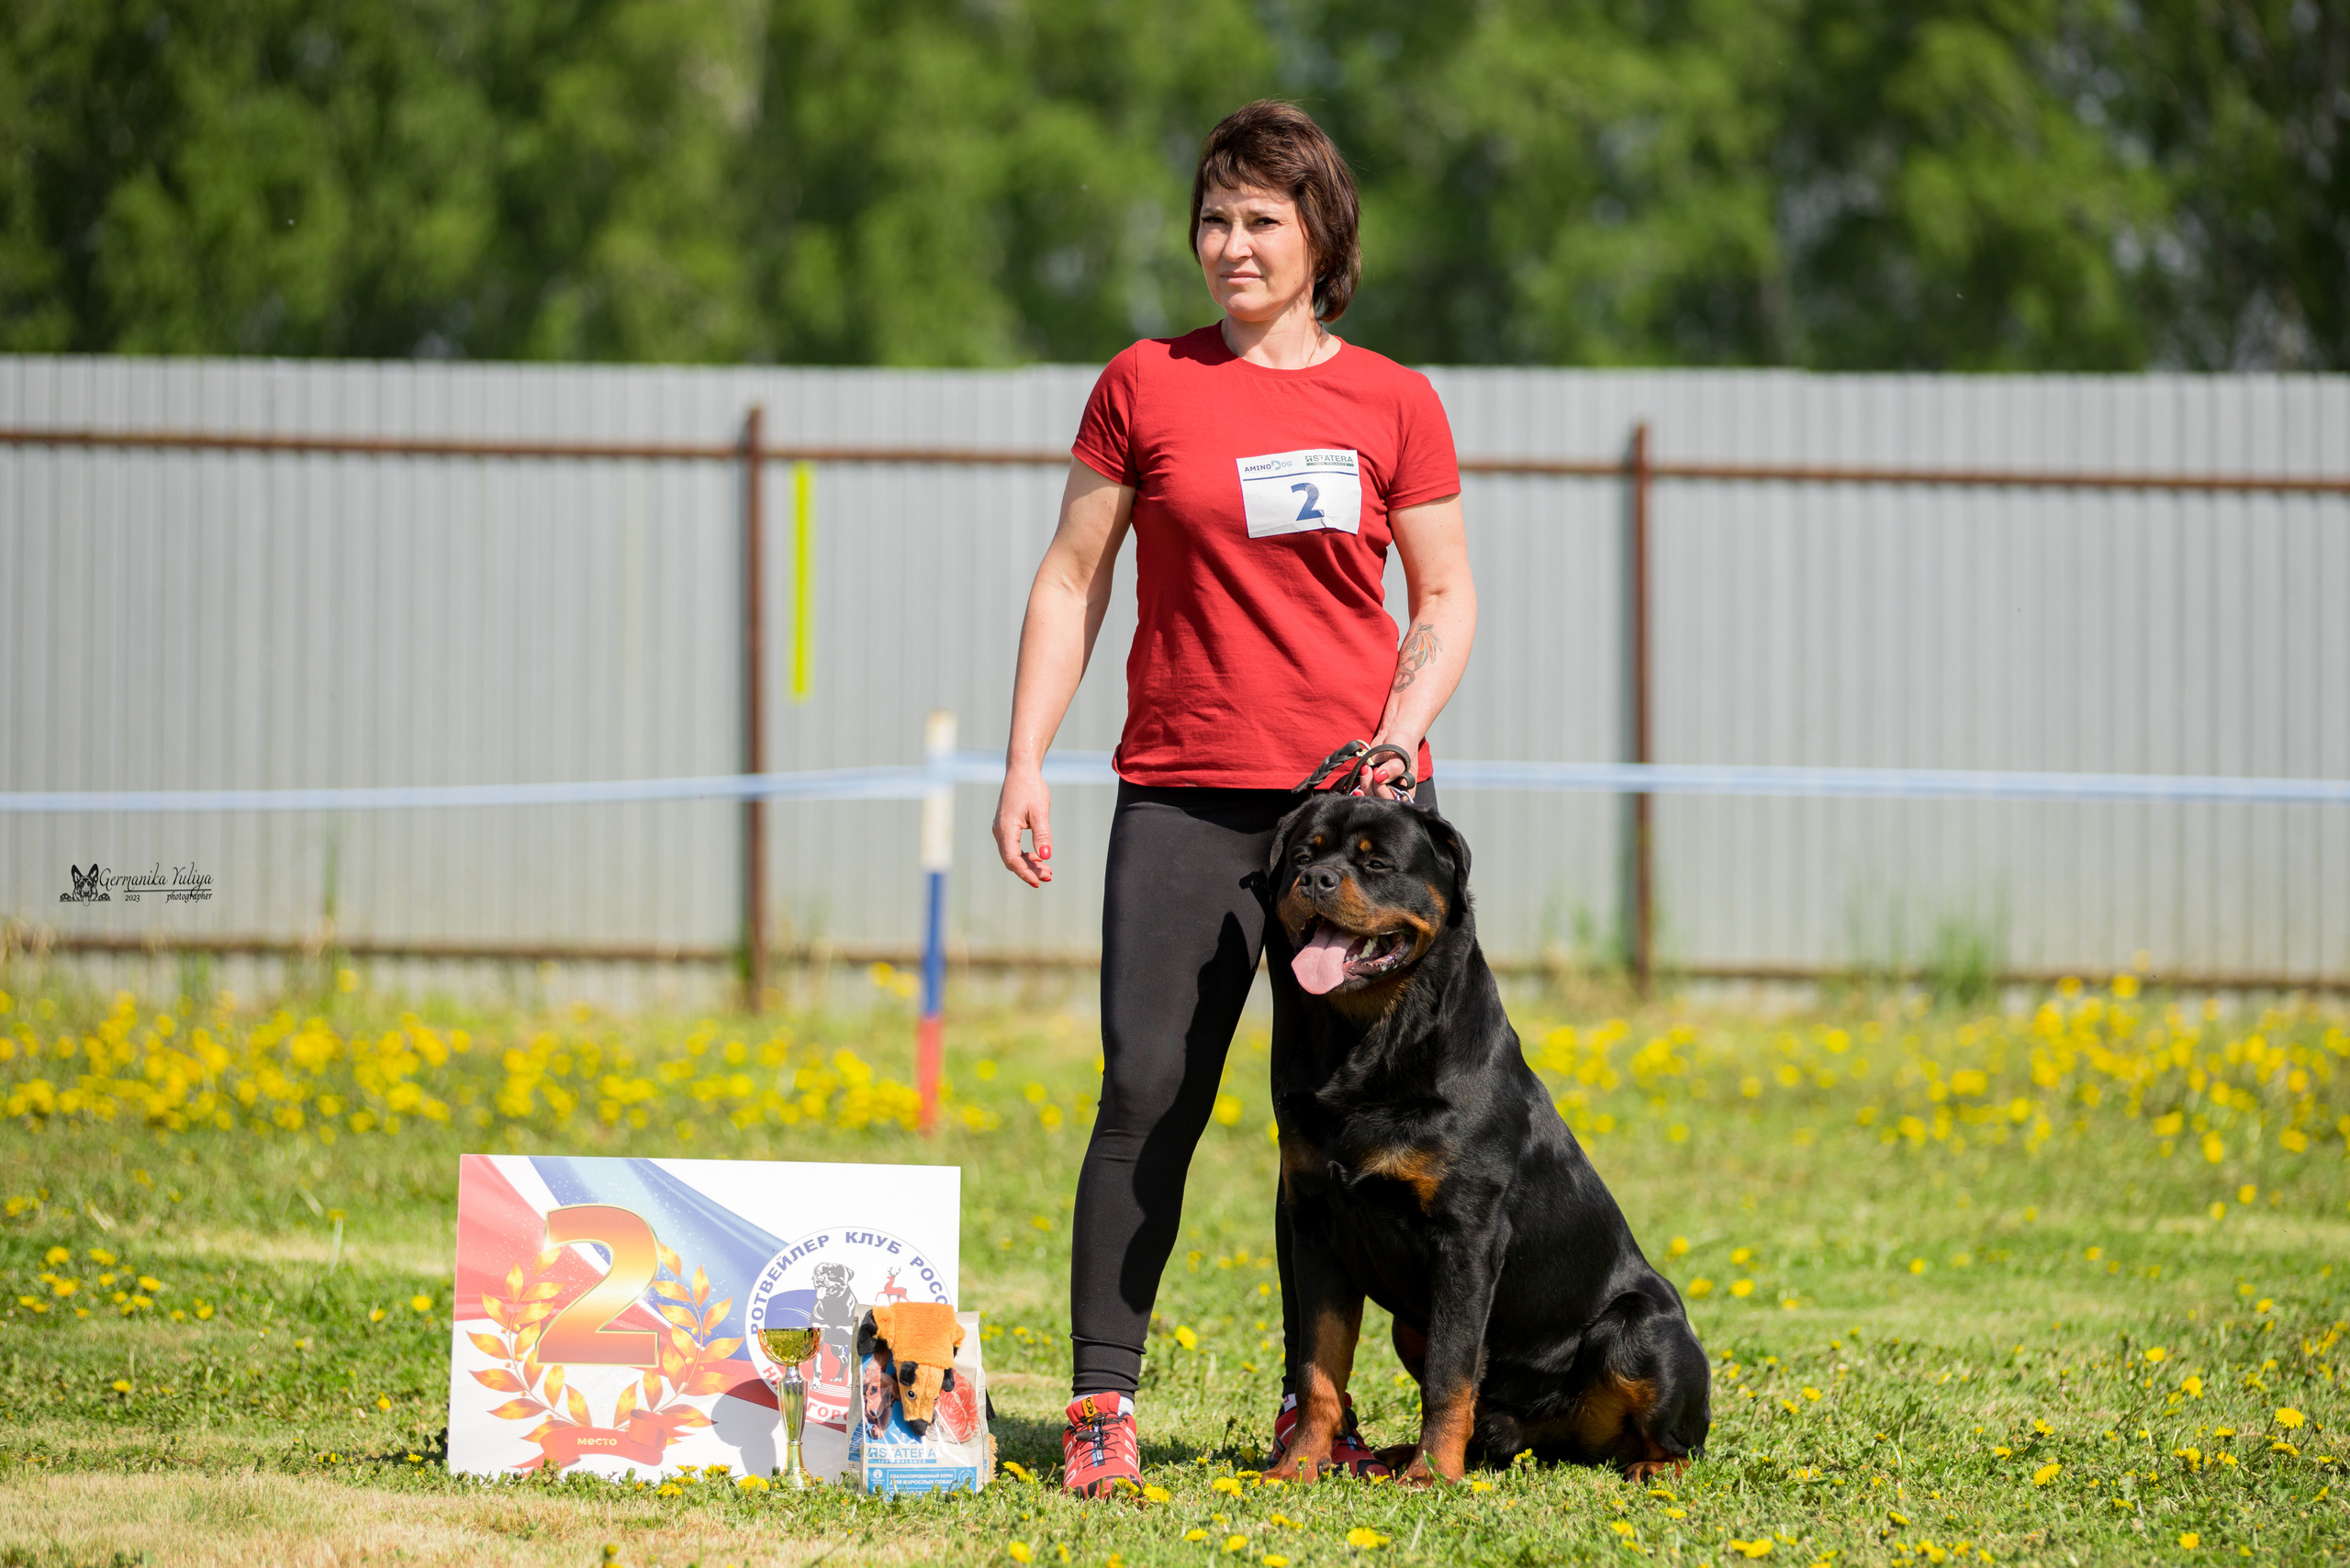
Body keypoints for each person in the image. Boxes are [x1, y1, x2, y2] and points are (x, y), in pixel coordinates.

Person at [991, 99, 1477, 1497]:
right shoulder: (1144, 382)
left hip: (1356, 818)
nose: (1231, 244)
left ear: (1323, 237)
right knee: (1149, 1091)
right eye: (1214, 219)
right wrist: (1028, 758)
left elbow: (1443, 593)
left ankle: (1311, 1414)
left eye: (1261, 219)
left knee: (1357, 1129)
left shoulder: (1395, 399)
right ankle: (1100, 1412)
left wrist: (1401, 731)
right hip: (1185, 800)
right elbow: (1070, 580)